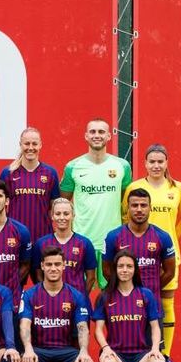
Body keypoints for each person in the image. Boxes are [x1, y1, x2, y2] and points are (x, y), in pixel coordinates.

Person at [124, 144, 181, 358]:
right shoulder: (134, 187)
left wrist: (168, 241)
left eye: (160, 161)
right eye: (152, 161)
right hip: (139, 256)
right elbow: (125, 217)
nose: (156, 165)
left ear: (167, 163)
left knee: (166, 301)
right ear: (145, 163)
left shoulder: (177, 188)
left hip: (167, 257)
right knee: (134, 300)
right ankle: (135, 350)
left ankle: (165, 353)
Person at [92, 249, 169, 362]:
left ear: (135, 269)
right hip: (116, 353)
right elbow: (98, 330)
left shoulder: (146, 294)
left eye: (129, 266)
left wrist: (155, 349)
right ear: (115, 269)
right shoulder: (105, 296)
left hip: (141, 354)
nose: (124, 270)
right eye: (121, 266)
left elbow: (155, 327)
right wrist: (106, 348)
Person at [18, 246, 94, 362]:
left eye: (57, 264)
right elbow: (25, 324)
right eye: (49, 264)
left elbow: (82, 327)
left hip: (65, 350)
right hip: (39, 350)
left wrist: (84, 351)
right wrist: (28, 349)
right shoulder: (30, 295)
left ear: (64, 266)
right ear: (42, 266)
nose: (53, 268)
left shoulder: (76, 295)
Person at [60, 118, 132, 288]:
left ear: (109, 136)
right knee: (77, 294)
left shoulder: (122, 166)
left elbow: (126, 200)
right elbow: (63, 201)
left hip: (112, 240)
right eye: (92, 132)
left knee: (112, 294)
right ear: (86, 136)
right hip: (82, 240)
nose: (97, 135)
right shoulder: (73, 167)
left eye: (101, 132)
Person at [102, 189, 176, 304]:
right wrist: (124, 289)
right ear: (128, 208)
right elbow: (106, 270)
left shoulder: (163, 237)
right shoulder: (113, 236)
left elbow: (170, 272)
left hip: (152, 305)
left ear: (150, 208)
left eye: (143, 205)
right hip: (123, 304)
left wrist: (152, 290)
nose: (139, 209)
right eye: (135, 205)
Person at [2, 127, 60, 243]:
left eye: (34, 144)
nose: (30, 147)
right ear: (20, 145)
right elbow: (1, 207)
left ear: (40, 145)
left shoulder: (50, 173)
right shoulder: (8, 173)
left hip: (43, 237)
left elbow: (54, 208)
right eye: (27, 143)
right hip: (14, 237)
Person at [33, 198, 97, 298]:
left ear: (73, 215)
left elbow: (91, 277)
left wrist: (80, 298)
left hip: (76, 302)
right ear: (52, 216)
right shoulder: (41, 244)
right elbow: (38, 275)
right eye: (58, 214)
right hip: (50, 301)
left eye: (66, 214)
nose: (62, 217)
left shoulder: (85, 243)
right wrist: (47, 296)